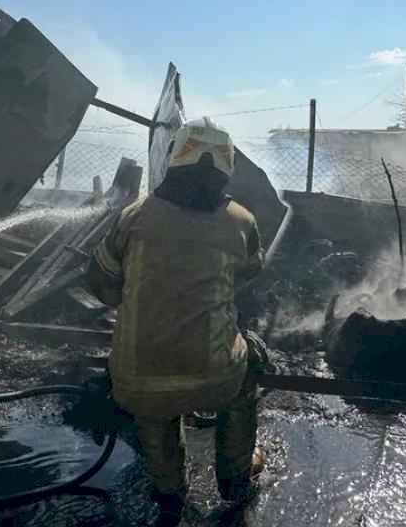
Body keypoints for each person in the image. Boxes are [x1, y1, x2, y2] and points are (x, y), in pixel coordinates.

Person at [87, 117, 267, 526]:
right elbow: (248, 277)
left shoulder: (134, 216)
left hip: (136, 379)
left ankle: (168, 487)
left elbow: (99, 281)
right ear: (227, 164)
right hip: (215, 375)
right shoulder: (241, 220)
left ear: (175, 157)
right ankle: (237, 477)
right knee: (251, 363)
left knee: (153, 408)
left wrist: (139, 306)